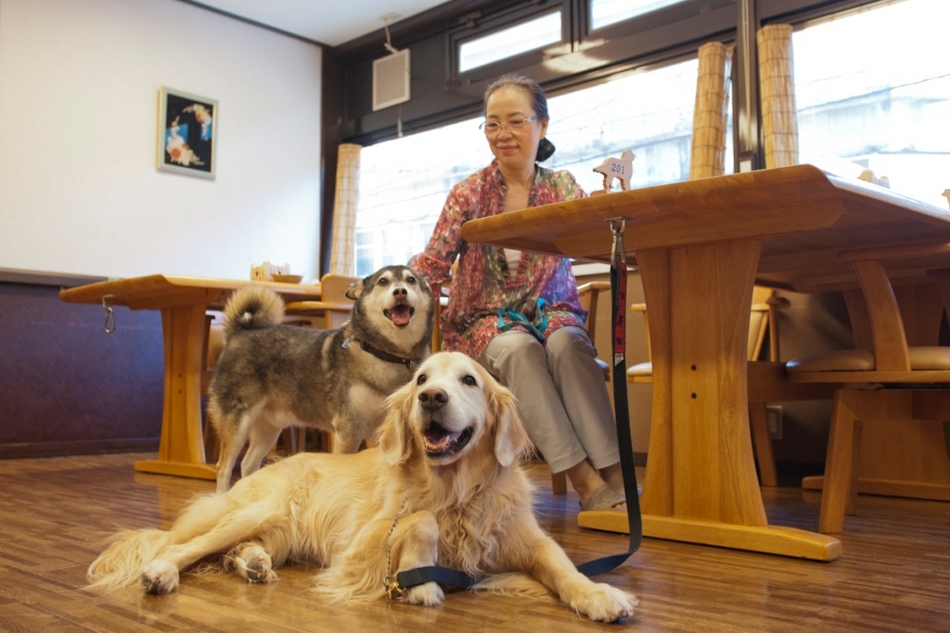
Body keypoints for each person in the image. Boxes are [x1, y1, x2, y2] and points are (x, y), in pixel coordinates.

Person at [409, 74, 626, 511]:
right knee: (518, 349)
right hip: (483, 324)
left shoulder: (562, 186)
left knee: (567, 344)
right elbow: (431, 263)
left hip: (553, 314)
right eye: (492, 124)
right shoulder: (467, 193)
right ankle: (585, 481)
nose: (502, 134)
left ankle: (618, 476)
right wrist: (401, 300)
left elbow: (594, 240)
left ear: (541, 126)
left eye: (514, 122)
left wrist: (610, 206)